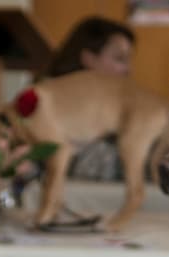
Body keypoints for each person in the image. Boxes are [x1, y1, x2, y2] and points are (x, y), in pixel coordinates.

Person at [45, 16, 136, 182]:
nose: (128, 69)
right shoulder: (47, 100)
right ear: (89, 59)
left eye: (128, 60)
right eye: (120, 59)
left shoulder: (125, 107)